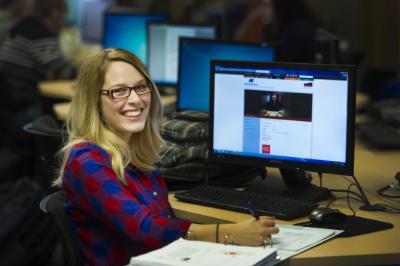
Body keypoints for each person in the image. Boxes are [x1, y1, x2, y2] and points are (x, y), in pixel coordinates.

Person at [53, 48, 279, 266]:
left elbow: (165, 227)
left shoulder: (136, 155)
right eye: (119, 91)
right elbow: (144, 230)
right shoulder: (86, 160)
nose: (135, 100)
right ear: (94, 101)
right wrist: (228, 232)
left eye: (141, 87)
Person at [0, 0, 77, 150]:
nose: (65, 19)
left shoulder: (23, 27)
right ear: (54, 12)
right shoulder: (40, 35)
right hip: (23, 110)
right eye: (64, 13)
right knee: (70, 119)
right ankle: (56, 164)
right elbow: (66, 71)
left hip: (9, 108)